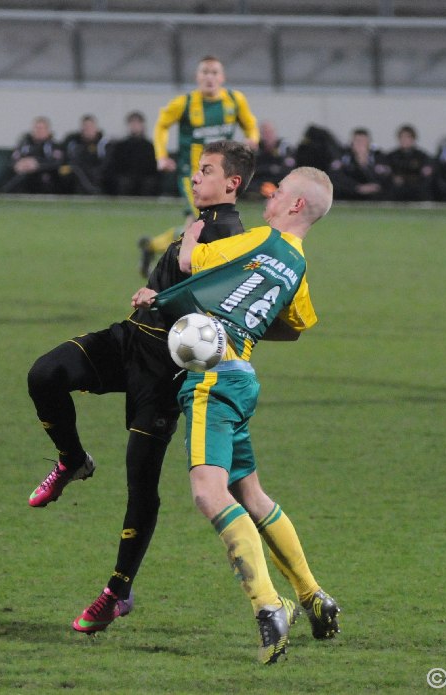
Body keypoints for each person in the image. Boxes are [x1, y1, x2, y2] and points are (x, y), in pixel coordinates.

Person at [26, 141, 255, 634]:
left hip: (165, 372)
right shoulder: (199, 223)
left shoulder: (231, 235)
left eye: (207, 171)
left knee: (140, 484)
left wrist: (165, 292)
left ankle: (117, 592)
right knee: (45, 374)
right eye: (196, 170)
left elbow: (215, 302)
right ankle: (71, 460)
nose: (195, 178)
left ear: (232, 183)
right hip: (131, 338)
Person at [133, 167, 341, 665]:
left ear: (294, 207)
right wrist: (244, 320)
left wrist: (184, 247)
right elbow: (296, 326)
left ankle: (269, 605)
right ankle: (314, 596)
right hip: (242, 376)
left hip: (213, 378)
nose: (268, 198)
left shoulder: (260, 239)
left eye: (278, 193)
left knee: (209, 493)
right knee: (250, 493)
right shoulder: (296, 264)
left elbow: (191, 264)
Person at [137, 55, 259, 277]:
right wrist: (161, 155)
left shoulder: (234, 100)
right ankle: (189, 273)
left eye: (214, 72)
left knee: (197, 226)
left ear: (222, 77)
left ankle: (153, 247)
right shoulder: (185, 103)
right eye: (205, 72)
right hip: (193, 174)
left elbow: (250, 124)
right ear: (197, 77)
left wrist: (252, 139)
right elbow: (162, 124)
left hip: (222, 177)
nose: (209, 77)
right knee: (201, 224)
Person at [0, 116, 63, 194]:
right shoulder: (24, 143)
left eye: (42, 128)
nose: (39, 131)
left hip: (43, 175)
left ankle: (1, 193)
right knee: (11, 173)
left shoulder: (54, 146)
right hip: (23, 173)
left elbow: (57, 163)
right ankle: (1, 193)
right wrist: (19, 164)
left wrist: (37, 165)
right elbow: (14, 158)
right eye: (36, 128)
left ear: (48, 130)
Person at [104, 110, 160, 196]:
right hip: (126, 177)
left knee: (149, 183)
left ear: (142, 125)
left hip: (144, 178)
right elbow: (116, 165)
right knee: (123, 182)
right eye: (132, 123)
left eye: (137, 123)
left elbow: (153, 166)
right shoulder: (121, 146)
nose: (135, 126)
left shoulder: (149, 146)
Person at [330, 127, 389, 201]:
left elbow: (386, 177)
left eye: (363, 141)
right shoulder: (343, 156)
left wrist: (365, 164)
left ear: (369, 143)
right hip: (350, 193)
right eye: (357, 141)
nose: (360, 144)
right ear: (352, 143)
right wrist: (357, 187)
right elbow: (335, 176)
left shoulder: (378, 156)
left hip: (374, 195)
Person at [58, 114, 108, 195]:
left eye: (90, 127)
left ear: (96, 128)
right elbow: (63, 155)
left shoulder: (103, 144)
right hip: (74, 171)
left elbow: (105, 162)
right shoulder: (73, 141)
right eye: (85, 127)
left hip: (94, 173)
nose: (87, 129)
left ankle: (93, 192)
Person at [247, 119, 296, 198]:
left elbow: (288, 169)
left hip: (279, 181)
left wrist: (266, 169)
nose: (268, 136)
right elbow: (251, 170)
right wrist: (271, 168)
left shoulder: (284, 147)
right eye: (265, 133)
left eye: (270, 132)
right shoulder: (256, 148)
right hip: (261, 182)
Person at [385, 123, 433, 202]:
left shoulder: (422, 156)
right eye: (402, 137)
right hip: (397, 188)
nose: (405, 140)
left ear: (413, 139)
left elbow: (427, 171)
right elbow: (386, 171)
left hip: (416, 188)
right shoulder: (391, 156)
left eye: (408, 137)